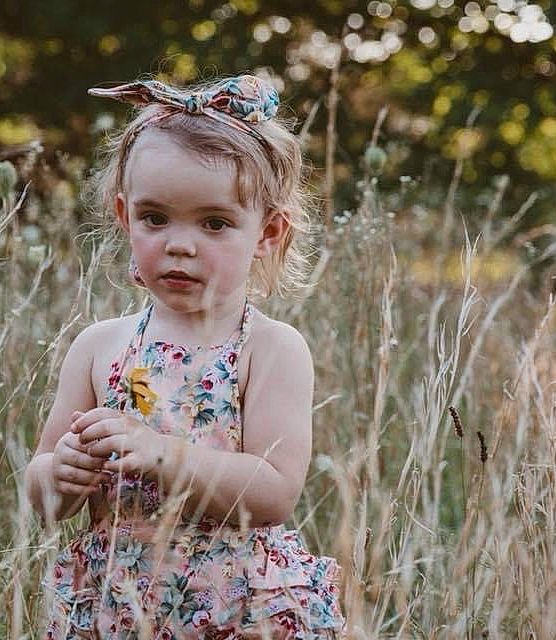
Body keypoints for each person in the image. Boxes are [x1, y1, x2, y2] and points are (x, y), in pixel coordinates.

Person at [24, 74, 345, 639]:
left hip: (236, 609)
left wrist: (163, 454)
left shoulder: (270, 350)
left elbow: (274, 493)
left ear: (268, 232)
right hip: (114, 605)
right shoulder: (100, 346)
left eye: (215, 223)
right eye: (155, 218)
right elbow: (45, 490)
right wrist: (63, 474)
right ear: (125, 217)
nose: (179, 244)